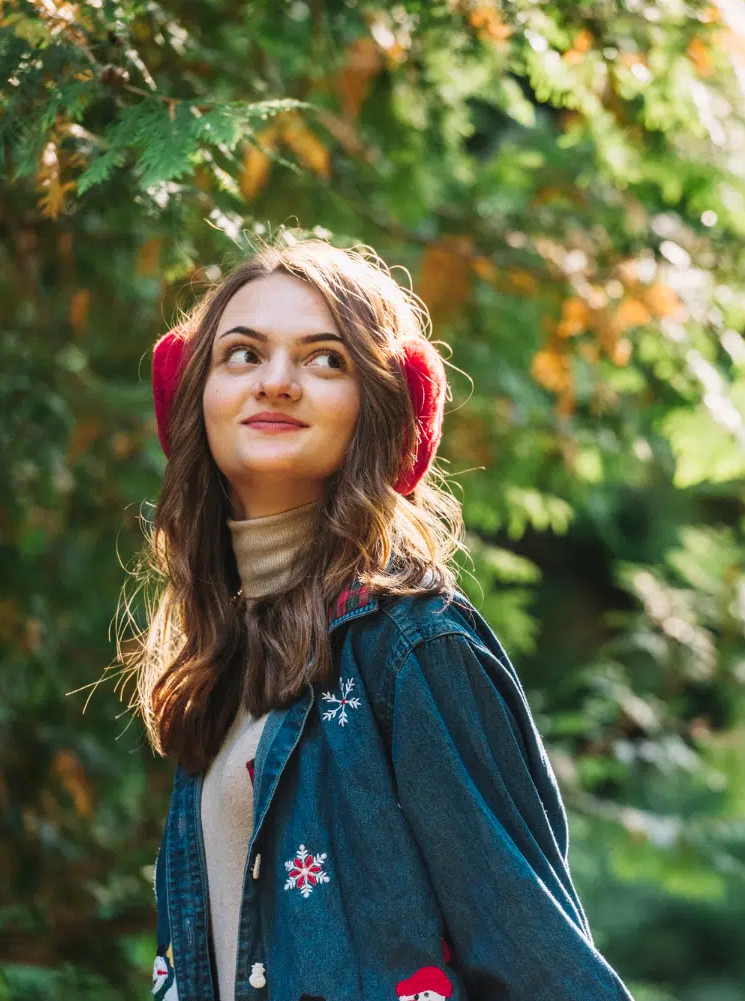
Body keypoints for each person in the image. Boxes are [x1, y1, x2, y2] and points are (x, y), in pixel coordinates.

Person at [124, 236, 634, 1001]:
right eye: (242, 353)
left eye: (325, 359)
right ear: (192, 395)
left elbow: (543, 961)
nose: (277, 382)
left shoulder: (412, 647)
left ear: (382, 409)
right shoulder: (224, 671)